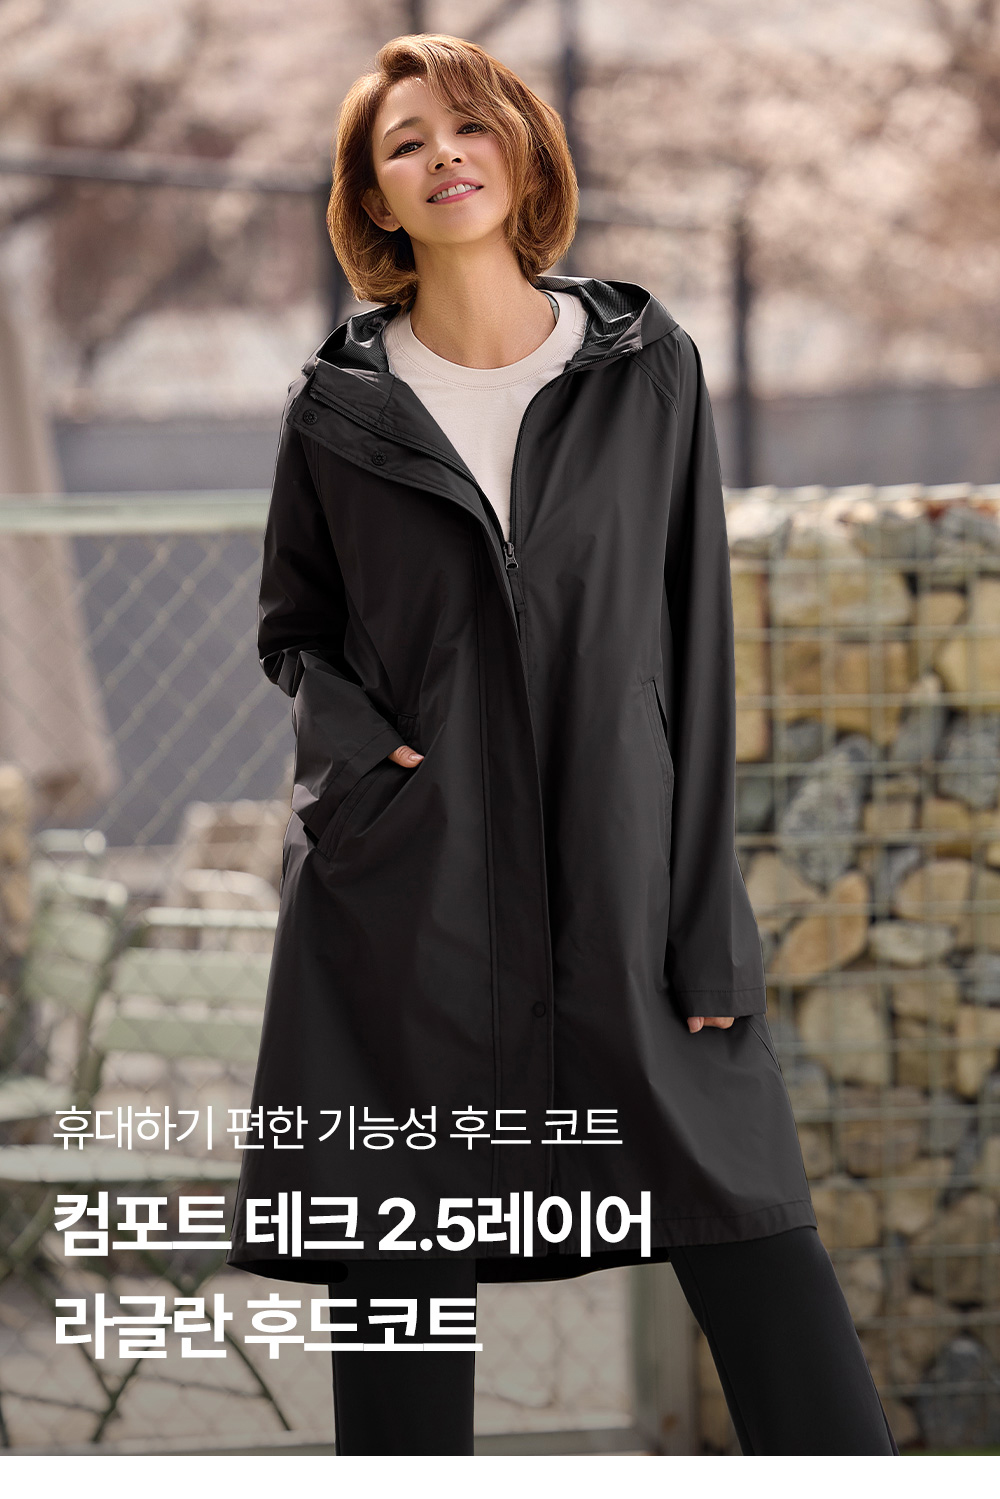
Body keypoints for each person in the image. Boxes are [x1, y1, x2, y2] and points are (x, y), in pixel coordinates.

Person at [227, 33, 898, 1457]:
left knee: (761, 1257)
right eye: (406, 143)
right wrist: (368, 763)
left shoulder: (647, 371)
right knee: (402, 1306)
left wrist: (708, 926)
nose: (444, 155)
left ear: (524, 151)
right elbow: (296, 630)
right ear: (375, 198)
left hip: (624, 880)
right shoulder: (335, 411)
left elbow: (695, 648)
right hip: (408, 896)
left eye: (470, 125)